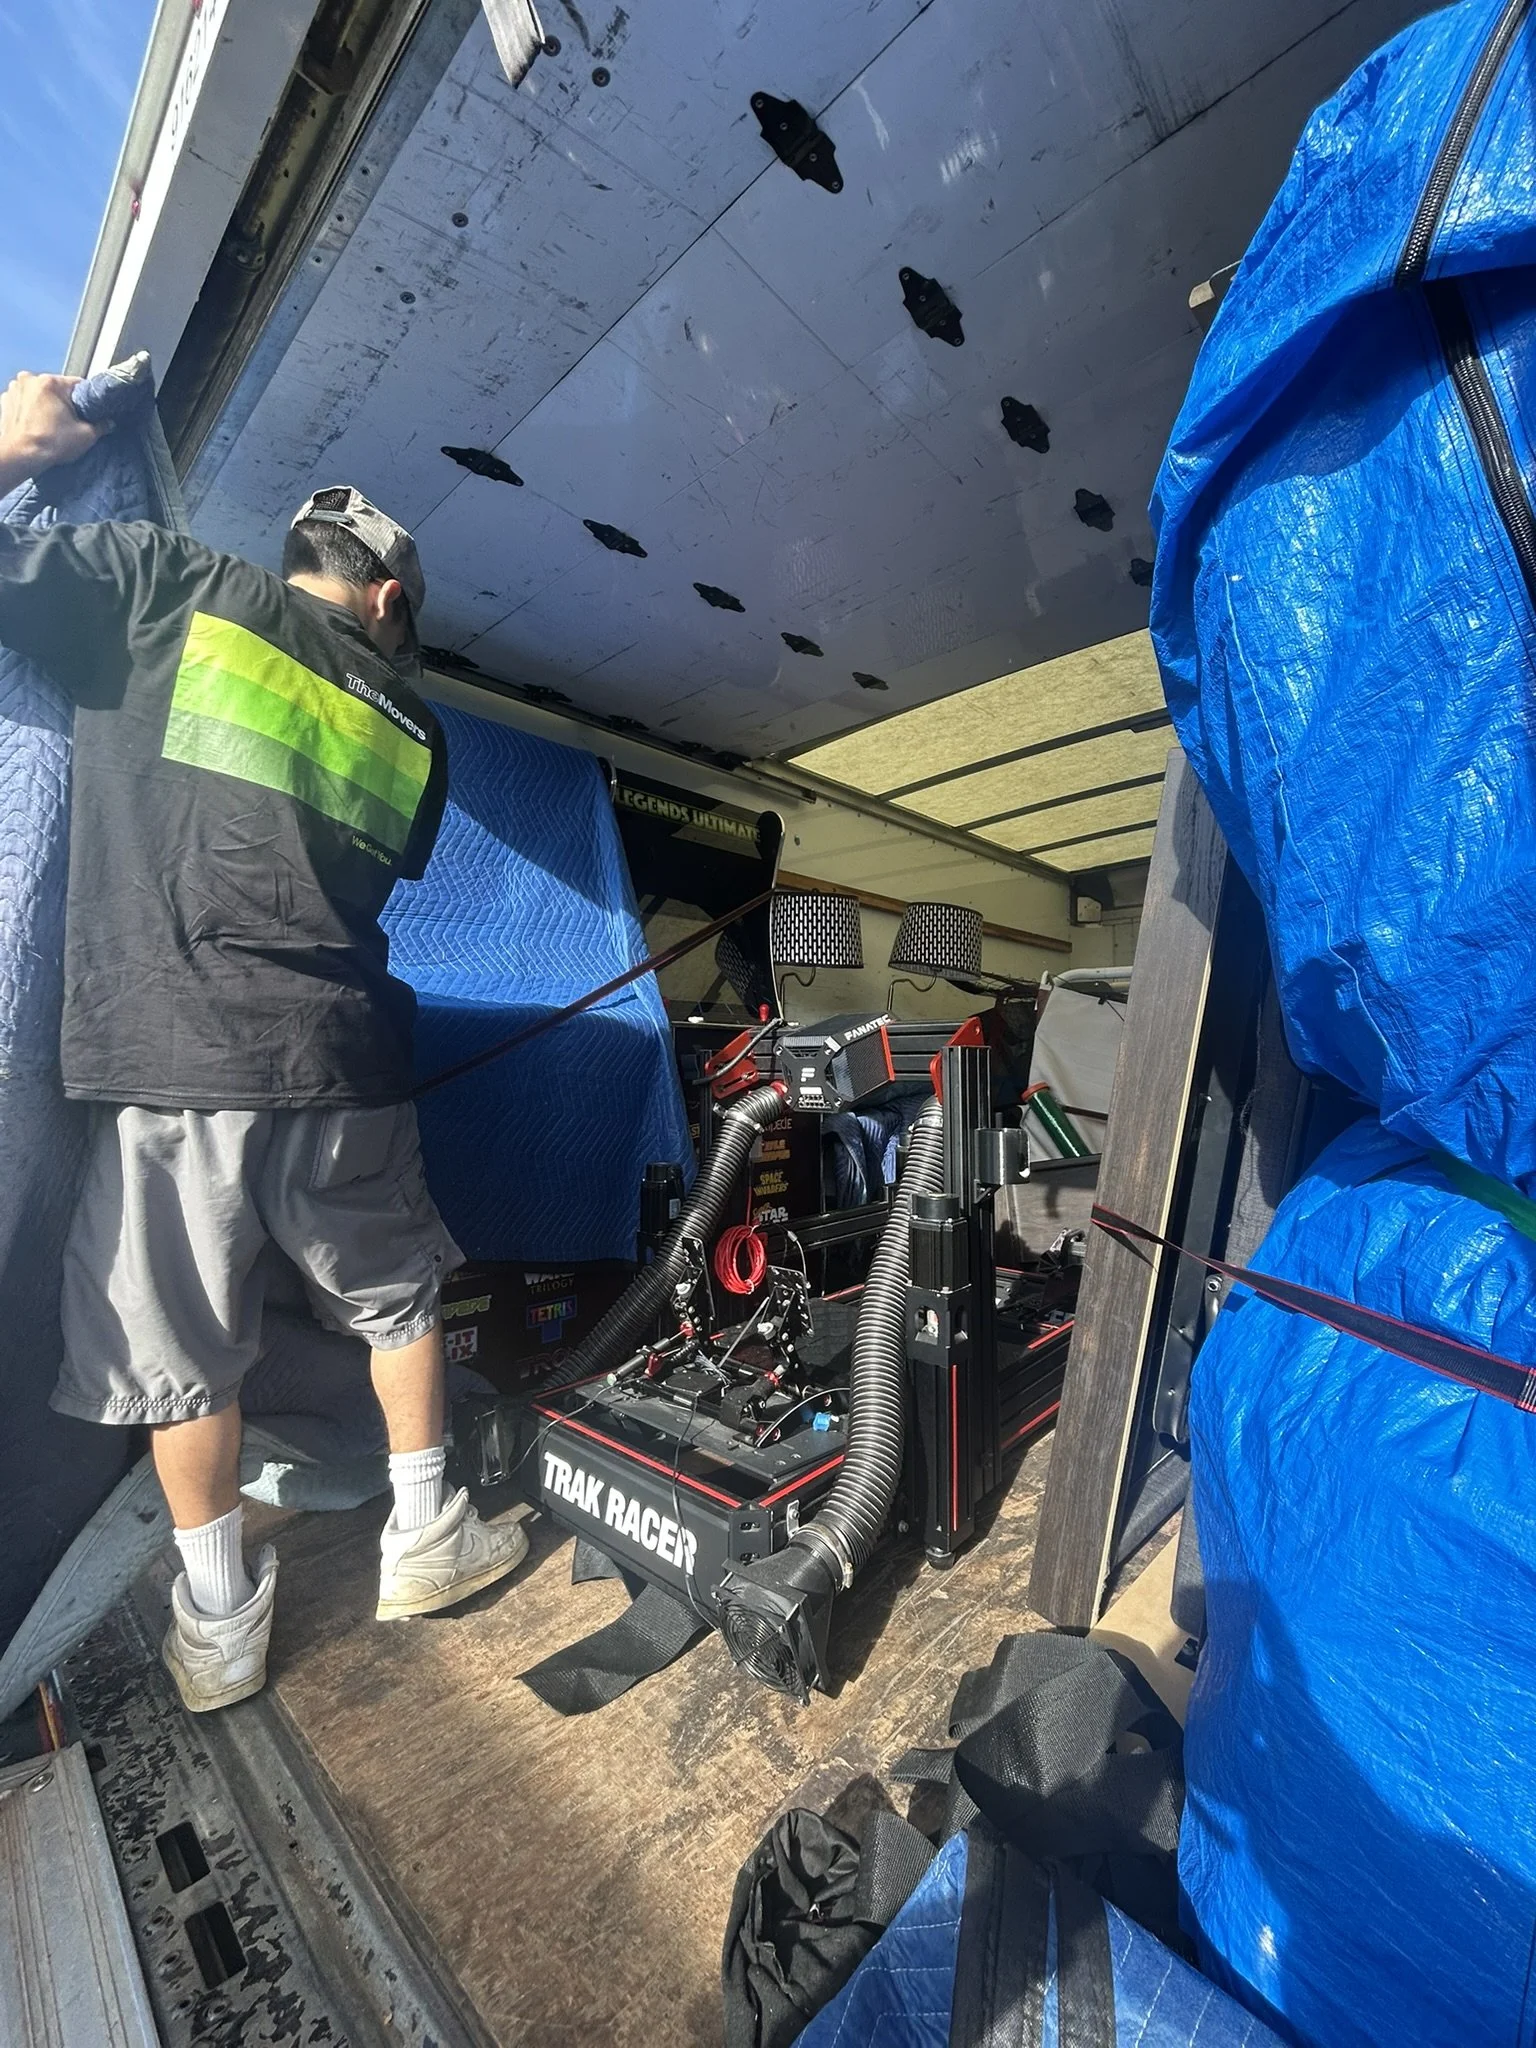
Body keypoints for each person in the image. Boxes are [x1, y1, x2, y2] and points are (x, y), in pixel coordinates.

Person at [0, 370, 527, 1712]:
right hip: (344, 1059)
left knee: (177, 1352)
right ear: (392, 602)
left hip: (173, 1061)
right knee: (395, 1296)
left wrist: (13, 447)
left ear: (301, 565)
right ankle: (428, 1537)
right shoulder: (420, 729)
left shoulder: (172, 590)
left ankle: (221, 1628)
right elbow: (374, 870)